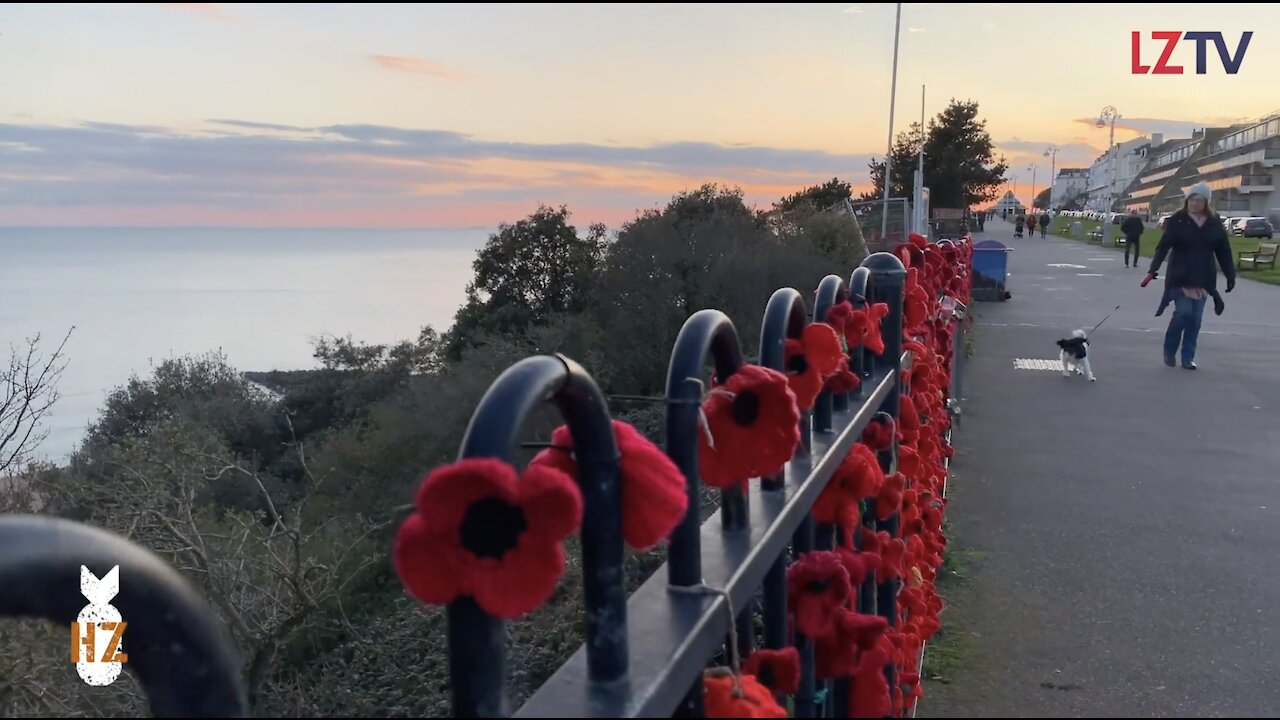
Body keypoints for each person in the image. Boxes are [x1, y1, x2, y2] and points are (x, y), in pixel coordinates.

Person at [1142, 182, 1235, 370]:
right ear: (1187, 201)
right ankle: (1169, 350)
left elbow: (1224, 250)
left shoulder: (1214, 222)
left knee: (1195, 319)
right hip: (1180, 276)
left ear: (1206, 202)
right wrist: (1153, 269)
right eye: (1192, 199)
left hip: (1203, 277)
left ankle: (1187, 357)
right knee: (1184, 313)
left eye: (1199, 200)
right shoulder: (1178, 220)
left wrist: (1230, 275)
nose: (1195, 203)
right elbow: (1163, 246)